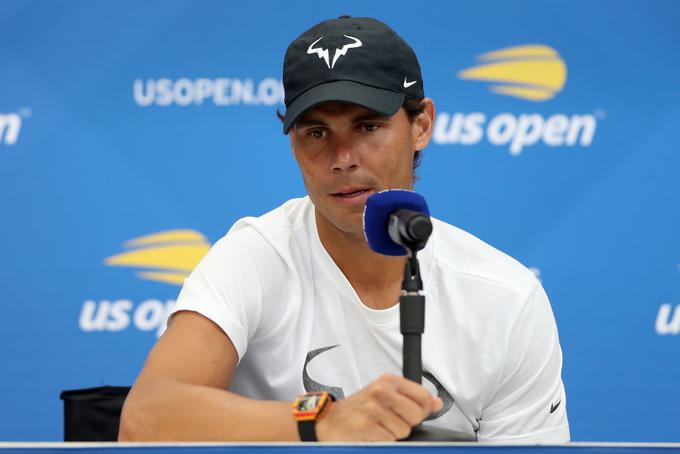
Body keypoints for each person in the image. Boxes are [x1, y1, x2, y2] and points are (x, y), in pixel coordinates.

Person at [119, 16, 570, 443]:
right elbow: (145, 418)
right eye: (316, 133)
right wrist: (322, 419)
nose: (342, 158)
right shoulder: (256, 255)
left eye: (368, 126)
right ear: (292, 143)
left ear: (422, 125)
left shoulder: (505, 298)